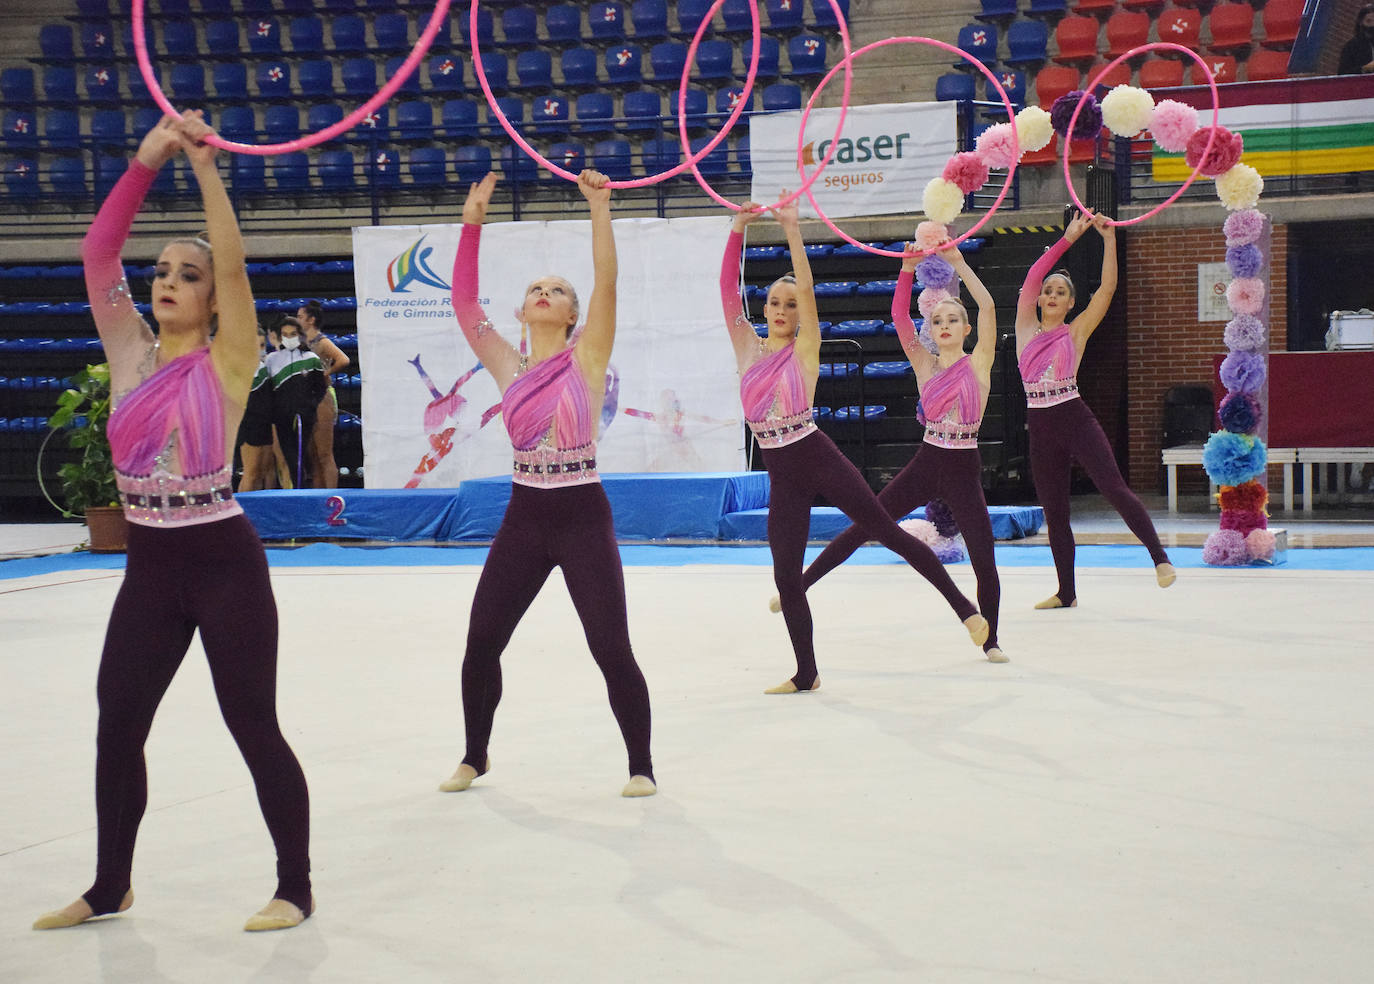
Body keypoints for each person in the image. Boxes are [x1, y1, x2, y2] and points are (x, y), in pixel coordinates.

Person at [33, 113, 312, 933]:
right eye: (161, 270)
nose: (169, 281)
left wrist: (204, 170)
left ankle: (295, 884)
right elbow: (96, 255)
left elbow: (233, 259)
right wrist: (147, 158)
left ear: (213, 295)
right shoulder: (127, 350)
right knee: (117, 722)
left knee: (252, 723)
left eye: (189, 275)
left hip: (222, 559)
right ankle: (110, 883)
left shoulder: (228, 361)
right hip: (150, 566)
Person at [439, 171, 655, 798]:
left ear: (572, 313)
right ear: (522, 308)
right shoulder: (507, 362)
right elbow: (463, 304)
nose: (543, 293)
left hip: (582, 512)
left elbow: (607, 281)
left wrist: (599, 209)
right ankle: (474, 755)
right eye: (535, 287)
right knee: (482, 640)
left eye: (556, 290)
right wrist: (471, 224)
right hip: (525, 516)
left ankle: (640, 764)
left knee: (611, 644)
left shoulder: (587, 356)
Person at [722, 200, 989, 695]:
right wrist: (737, 228)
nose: (783, 310)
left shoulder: (806, 347)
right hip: (783, 474)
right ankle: (807, 672)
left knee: (885, 530)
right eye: (775, 303)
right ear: (763, 308)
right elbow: (726, 294)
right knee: (785, 576)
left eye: (791, 305)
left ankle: (964, 608)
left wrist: (793, 231)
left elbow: (806, 287)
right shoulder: (745, 348)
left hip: (816, 454)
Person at [791, 239, 1009, 663]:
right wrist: (907, 269)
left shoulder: (978, 362)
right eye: (938, 320)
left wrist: (959, 263)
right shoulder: (924, 365)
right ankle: (801, 584)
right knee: (865, 522)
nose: (944, 325)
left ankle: (991, 639)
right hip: (928, 460)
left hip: (964, 466)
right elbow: (897, 316)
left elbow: (988, 308)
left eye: (953, 320)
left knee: (984, 555)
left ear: (966, 330)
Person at [1015, 210, 1175, 610]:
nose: (1050, 295)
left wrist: (1107, 239)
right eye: (1047, 291)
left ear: (1070, 304)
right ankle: (1065, 592)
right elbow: (1034, 275)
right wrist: (1066, 239)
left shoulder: (1077, 330)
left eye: (1060, 293)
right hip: (1040, 423)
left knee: (1114, 487)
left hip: (1073, 415)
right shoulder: (1024, 327)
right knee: (1055, 511)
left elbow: (1107, 287)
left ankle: (1160, 558)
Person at [264, 314, 327, 489]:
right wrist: (272, 411)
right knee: (288, 454)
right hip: (281, 416)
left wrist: (311, 405)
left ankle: (301, 488)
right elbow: (268, 389)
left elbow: (320, 387)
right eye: (285, 334)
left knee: (299, 452)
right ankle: (299, 487)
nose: (289, 337)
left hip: (304, 415)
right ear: (280, 336)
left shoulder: (310, 358)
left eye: (293, 334)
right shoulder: (272, 359)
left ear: (299, 335)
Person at [297, 300, 349, 488]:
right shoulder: (302, 342)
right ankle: (317, 497)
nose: (297, 320)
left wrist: (325, 374)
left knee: (324, 453)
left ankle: (331, 496)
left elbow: (343, 359)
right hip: (306, 397)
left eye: (300, 317)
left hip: (322, 396)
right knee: (313, 456)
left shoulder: (322, 341)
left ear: (311, 320)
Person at [235, 326, 276, 492]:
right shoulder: (239, 368)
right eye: (255, 346)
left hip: (264, 422)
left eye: (262, 345)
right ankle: (242, 513)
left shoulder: (263, 367)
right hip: (248, 423)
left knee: (260, 472)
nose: (260, 350)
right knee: (251, 473)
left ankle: (255, 513)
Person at [1337, 5, 1374, 75]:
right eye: (1368, 21)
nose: (1372, 25)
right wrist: (1365, 68)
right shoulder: (1351, 47)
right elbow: (1342, 74)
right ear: (1360, 22)